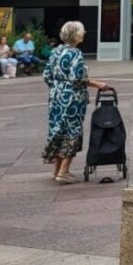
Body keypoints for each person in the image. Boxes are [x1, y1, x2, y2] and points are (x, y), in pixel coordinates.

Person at [42, 21, 108, 184]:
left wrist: (58, 87)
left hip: (56, 97)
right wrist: (98, 84)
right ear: (76, 35)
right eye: (81, 31)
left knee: (58, 130)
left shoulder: (55, 51)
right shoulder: (75, 53)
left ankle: (57, 170)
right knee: (72, 131)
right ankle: (63, 171)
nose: (84, 33)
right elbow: (78, 79)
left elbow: (46, 76)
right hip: (72, 99)